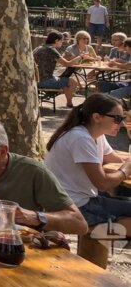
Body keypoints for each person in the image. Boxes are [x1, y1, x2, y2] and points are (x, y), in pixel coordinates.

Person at [44, 93, 131, 236]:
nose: (121, 124)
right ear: (97, 117)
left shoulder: (96, 134)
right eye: (117, 119)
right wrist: (125, 170)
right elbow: (102, 183)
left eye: (123, 118)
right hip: (73, 205)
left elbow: (114, 159)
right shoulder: (80, 138)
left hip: (83, 198)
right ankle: (97, 230)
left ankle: (106, 227)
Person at [33, 31, 86, 108]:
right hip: (45, 81)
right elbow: (67, 64)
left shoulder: (39, 48)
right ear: (56, 41)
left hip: (35, 80)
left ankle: (69, 103)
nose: (62, 42)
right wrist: (80, 57)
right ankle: (69, 103)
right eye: (61, 40)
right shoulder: (51, 50)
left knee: (64, 82)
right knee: (73, 82)